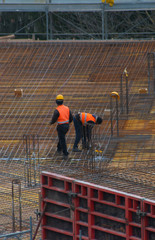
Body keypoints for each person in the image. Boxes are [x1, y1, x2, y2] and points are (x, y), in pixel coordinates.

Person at [50, 94, 73, 159]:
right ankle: (59, 148)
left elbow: (54, 119)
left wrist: (51, 123)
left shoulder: (57, 110)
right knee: (61, 137)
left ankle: (65, 153)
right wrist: (67, 122)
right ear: (63, 101)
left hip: (61, 127)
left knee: (62, 139)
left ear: (56, 102)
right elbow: (71, 118)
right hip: (66, 126)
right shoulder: (67, 108)